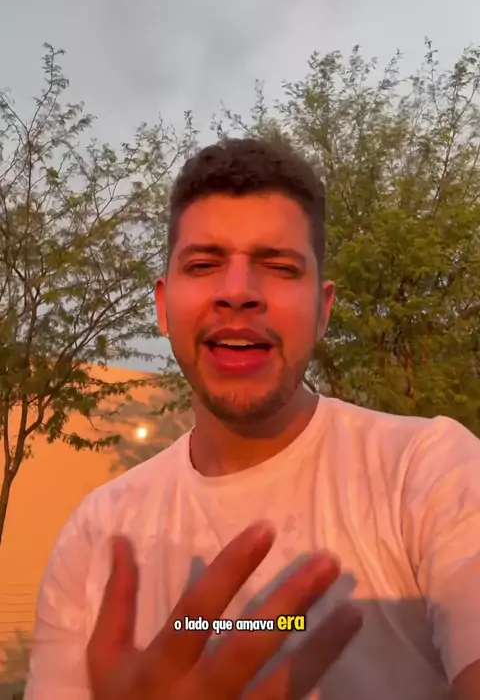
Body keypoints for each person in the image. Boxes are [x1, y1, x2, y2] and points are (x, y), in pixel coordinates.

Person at [25, 137, 480, 700]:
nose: (238, 292)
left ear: (323, 310)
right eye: (203, 264)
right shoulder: (96, 534)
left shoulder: (431, 471)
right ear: (163, 306)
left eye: (279, 267)